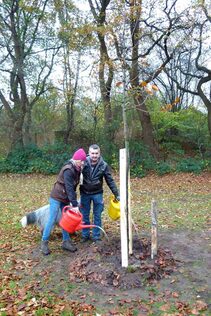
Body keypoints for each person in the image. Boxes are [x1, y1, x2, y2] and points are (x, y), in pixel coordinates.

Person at [41, 148, 87, 255]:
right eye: (82, 161)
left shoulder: (77, 168)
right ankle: (44, 242)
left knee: (65, 219)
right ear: (76, 159)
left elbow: (74, 187)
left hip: (65, 198)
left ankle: (66, 242)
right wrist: (74, 204)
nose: (83, 163)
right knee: (52, 219)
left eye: (84, 161)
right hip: (56, 197)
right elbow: (69, 188)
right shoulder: (68, 170)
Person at [80, 144, 119, 243]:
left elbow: (109, 180)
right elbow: (75, 176)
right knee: (85, 215)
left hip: (97, 194)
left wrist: (116, 194)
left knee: (97, 215)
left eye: (96, 153)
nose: (94, 155)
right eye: (92, 153)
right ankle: (85, 235)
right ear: (89, 153)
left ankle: (96, 236)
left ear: (99, 154)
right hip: (85, 193)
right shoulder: (83, 163)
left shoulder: (104, 165)